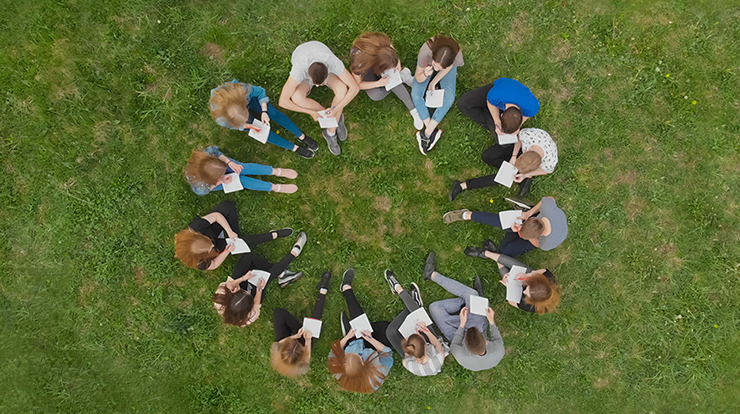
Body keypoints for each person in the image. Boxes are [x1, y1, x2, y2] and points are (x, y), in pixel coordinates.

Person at [423, 252, 504, 371]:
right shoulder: (499, 350)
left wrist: (462, 324)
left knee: (434, 308)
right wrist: (491, 321)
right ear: (486, 342)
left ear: (466, 347)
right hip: (478, 327)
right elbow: (496, 336)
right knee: (472, 294)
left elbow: (455, 340)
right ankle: (432, 275)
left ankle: (473, 301)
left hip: (457, 333)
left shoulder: (459, 353)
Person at [279, 41, 360, 156]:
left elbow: (354, 88)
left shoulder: (332, 62)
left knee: (342, 89)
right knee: (297, 97)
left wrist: (337, 108)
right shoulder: (299, 70)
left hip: (322, 62)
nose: (317, 86)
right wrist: (310, 112)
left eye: (321, 83)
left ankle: (331, 131)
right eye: (316, 84)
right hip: (304, 65)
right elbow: (283, 101)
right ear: (308, 73)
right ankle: (335, 119)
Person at [211, 231, 308, 327]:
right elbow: (256, 304)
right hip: (255, 296)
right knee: (266, 278)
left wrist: (242, 279)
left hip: (237, 285)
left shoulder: (221, 295)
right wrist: (259, 290)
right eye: (248, 294)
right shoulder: (250, 316)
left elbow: (228, 284)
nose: (248, 292)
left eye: (245, 292)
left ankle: (282, 274)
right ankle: (294, 253)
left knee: (248, 258)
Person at [209, 80, 318, 159]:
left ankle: (301, 136)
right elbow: (236, 126)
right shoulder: (221, 120)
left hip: (247, 100)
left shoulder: (242, 90)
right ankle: (294, 148)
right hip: (239, 112)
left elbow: (260, 92)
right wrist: (246, 125)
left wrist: (264, 112)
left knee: (273, 113)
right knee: (261, 132)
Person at [175, 201, 296, 271]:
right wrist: (226, 252)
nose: (211, 244)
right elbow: (215, 264)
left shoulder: (196, 227)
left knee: (227, 206)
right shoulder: (200, 262)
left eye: (208, 242)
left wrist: (229, 231)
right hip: (220, 246)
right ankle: (273, 235)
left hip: (212, 229)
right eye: (209, 248)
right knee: (239, 243)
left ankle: (235, 237)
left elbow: (216, 216)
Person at [328, 269, 393, 393]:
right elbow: (387, 353)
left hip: (354, 341)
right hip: (374, 348)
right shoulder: (378, 374)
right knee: (387, 328)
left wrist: (347, 338)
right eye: (357, 355)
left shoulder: (338, 371)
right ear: (363, 362)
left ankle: (346, 288)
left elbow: (333, 352)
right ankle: (355, 327)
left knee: (360, 324)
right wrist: (370, 339)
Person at [449, 128, 558, 200]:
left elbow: (546, 170)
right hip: (517, 149)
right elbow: (519, 139)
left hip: (528, 162)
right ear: (525, 152)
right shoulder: (530, 136)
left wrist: (525, 174)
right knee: (487, 156)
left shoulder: (550, 160)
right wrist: (514, 156)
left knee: (504, 177)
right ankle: (523, 179)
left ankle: (463, 185)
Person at [442, 196, 568, 257]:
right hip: (533, 218)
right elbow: (549, 198)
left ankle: (517, 226)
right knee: (502, 221)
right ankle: (468, 215)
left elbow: (535, 243)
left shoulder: (546, 243)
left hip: (534, 235)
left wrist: (522, 233)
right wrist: (528, 214)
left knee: (505, 251)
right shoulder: (548, 208)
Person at [349, 32, 422, 130]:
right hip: (367, 69)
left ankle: (413, 110)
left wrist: (397, 62)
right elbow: (357, 84)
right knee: (376, 95)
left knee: (391, 79)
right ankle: (402, 77)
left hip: (377, 60)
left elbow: (390, 47)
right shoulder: (359, 64)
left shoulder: (381, 42)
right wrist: (377, 83)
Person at [464, 241, 561, 314]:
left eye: (527, 294)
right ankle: (486, 253)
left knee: (506, 274)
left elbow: (512, 302)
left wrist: (509, 286)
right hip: (530, 276)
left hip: (516, 290)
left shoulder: (530, 306)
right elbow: (543, 271)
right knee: (517, 266)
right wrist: (527, 276)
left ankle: (495, 253)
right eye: (527, 289)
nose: (524, 291)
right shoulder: (549, 281)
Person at [383, 270, 448, 376]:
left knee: (390, 333)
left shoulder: (409, 364)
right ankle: (412, 302)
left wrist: (409, 353)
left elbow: (405, 360)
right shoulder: (438, 357)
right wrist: (426, 332)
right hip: (429, 345)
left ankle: (405, 296)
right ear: (426, 346)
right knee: (419, 316)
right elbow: (436, 344)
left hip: (412, 352)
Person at [271, 271, 332, 377]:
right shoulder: (302, 366)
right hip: (305, 343)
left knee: (279, 314)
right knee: (313, 324)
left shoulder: (278, 350)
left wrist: (295, 336)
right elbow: (307, 358)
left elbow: (279, 342)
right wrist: (307, 340)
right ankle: (323, 290)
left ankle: (294, 333)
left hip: (291, 338)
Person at [410, 35, 464, 155]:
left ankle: (427, 133)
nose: (436, 69)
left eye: (439, 68)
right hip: (425, 69)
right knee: (416, 95)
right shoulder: (425, 53)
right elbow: (418, 78)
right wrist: (425, 75)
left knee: (449, 98)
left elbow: (448, 68)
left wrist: (433, 82)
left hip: (446, 67)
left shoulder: (456, 56)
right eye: (435, 65)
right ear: (432, 57)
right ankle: (430, 132)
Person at [185, 146, 298, 195]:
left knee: (241, 168)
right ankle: (274, 187)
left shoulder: (207, 155)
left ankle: (276, 171)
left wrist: (229, 163)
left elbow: (217, 154)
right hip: (213, 183)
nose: (226, 173)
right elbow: (208, 189)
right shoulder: (201, 186)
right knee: (240, 180)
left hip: (215, 171)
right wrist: (222, 181)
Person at [457, 77, 539, 140]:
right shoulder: (495, 96)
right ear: (502, 114)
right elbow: (490, 102)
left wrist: (517, 128)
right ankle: (491, 119)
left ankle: (490, 118)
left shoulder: (532, 108)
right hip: (498, 89)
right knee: (463, 104)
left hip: (507, 96)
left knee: (503, 141)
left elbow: (525, 117)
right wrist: (496, 121)